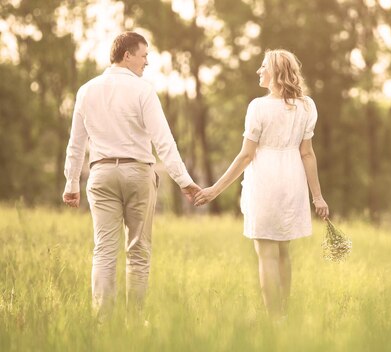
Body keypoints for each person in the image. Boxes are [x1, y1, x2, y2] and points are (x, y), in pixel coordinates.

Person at [62, 31, 200, 324]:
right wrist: (184, 181)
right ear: (127, 55)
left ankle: (104, 323)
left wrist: (72, 182)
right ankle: (135, 321)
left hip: (100, 175)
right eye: (144, 55)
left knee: (104, 250)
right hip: (137, 173)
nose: (146, 62)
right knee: (138, 249)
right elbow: (163, 140)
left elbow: (76, 143)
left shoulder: (86, 90)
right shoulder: (142, 90)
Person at [193, 49, 329, 319]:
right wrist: (318, 197)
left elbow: (246, 155)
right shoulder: (307, 106)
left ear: (276, 73)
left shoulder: (258, 107)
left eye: (263, 66)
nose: (259, 70)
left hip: (266, 180)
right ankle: (284, 316)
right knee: (283, 252)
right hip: (292, 181)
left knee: (266, 253)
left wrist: (214, 190)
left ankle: (274, 320)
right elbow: (307, 153)